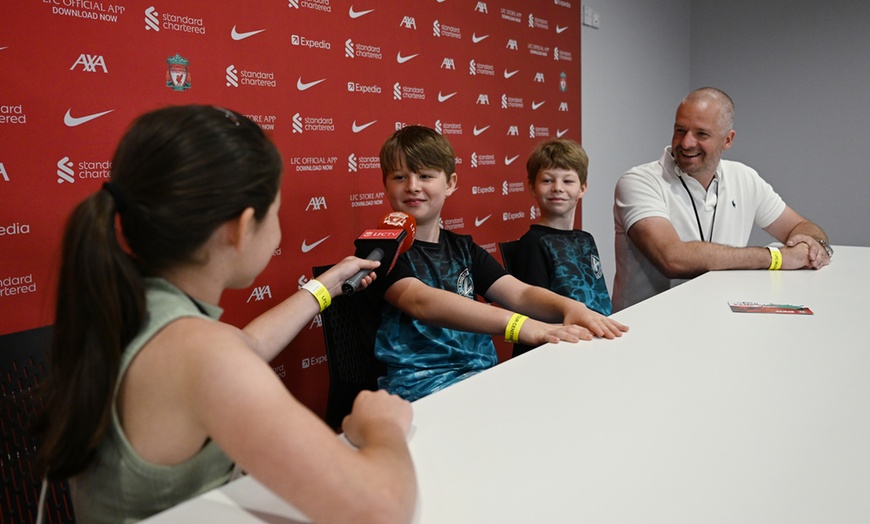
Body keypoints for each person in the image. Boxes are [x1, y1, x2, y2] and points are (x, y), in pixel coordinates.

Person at [33, 105, 416, 524]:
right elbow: (380, 508)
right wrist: (384, 427)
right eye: (276, 212)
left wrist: (326, 287)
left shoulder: (136, 306)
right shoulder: (203, 355)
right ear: (242, 225)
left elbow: (244, 345)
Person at [371, 126, 629, 402]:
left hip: (481, 378)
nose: (412, 186)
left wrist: (570, 307)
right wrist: (523, 326)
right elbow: (420, 301)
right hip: (420, 388)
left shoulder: (463, 247)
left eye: (425, 176)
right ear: (386, 184)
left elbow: (519, 292)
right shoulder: (382, 249)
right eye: (400, 177)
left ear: (450, 183)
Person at [613, 87, 831, 311]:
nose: (686, 143)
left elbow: (800, 226)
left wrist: (812, 247)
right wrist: (777, 258)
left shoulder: (744, 177)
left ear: (728, 140)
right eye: (680, 130)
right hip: (647, 327)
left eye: (701, 134)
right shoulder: (639, 181)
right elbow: (673, 258)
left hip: (718, 319)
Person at [508, 138, 612, 356]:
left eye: (568, 181)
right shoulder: (532, 244)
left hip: (595, 343)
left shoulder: (586, 239)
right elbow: (533, 311)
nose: (557, 188)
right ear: (532, 187)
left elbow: (598, 297)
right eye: (547, 180)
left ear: (582, 188)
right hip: (556, 349)